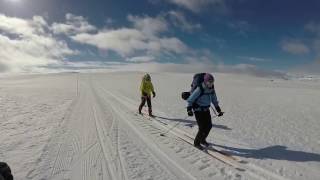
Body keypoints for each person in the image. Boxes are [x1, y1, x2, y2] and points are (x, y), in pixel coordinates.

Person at [186, 73, 224, 150]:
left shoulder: (212, 89)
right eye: (209, 82)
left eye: (212, 82)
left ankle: (202, 140)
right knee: (202, 127)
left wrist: (218, 109)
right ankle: (196, 143)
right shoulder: (200, 89)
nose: (210, 84)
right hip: (198, 111)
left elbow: (214, 100)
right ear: (205, 81)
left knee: (209, 126)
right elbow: (190, 99)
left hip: (206, 110)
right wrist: (189, 109)